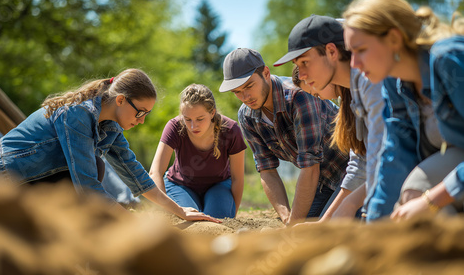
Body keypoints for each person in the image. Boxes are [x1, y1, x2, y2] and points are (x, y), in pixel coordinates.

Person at [0, 68, 219, 223]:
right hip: (3, 177)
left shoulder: (111, 126)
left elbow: (134, 173)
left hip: (36, 180)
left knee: (98, 169)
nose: (142, 120)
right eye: (141, 112)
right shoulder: (76, 115)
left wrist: (179, 210)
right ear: (121, 100)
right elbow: (86, 184)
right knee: (94, 174)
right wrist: (132, 224)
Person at [342, 0, 464, 221]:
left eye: (361, 50)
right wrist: (375, 223)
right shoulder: (393, 82)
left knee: (418, 194)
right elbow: (396, 155)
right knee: (408, 199)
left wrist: (432, 199)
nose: (354, 65)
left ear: (394, 39)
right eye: (351, 53)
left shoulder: (449, 59)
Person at [273, 15, 385, 221]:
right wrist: (326, 222)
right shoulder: (353, 96)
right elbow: (360, 163)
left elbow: (388, 160)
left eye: (305, 62)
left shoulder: (373, 83)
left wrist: (348, 207)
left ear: (332, 51)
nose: (302, 74)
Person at [219, 48, 349, 225]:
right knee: (302, 228)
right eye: (237, 91)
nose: (245, 97)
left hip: (351, 171)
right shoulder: (246, 116)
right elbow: (266, 169)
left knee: (330, 229)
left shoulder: (300, 96)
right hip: (321, 183)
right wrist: (287, 217)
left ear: (265, 72)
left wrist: (294, 224)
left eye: (249, 86)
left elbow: (310, 168)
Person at [149, 84, 246, 218]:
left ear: (212, 112)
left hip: (219, 185)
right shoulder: (174, 127)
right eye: (187, 119)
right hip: (180, 185)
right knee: (192, 222)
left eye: (200, 119)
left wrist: (231, 216)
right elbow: (155, 172)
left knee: (218, 221)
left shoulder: (231, 130)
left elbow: (238, 178)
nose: (193, 126)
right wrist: (168, 210)